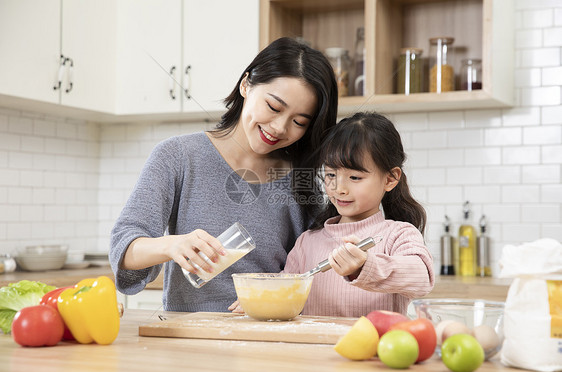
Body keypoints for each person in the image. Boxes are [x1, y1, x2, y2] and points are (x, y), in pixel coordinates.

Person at [109, 37, 338, 312]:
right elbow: (124, 249)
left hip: (269, 336)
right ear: (246, 85)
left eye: (299, 122)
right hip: (190, 338)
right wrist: (172, 245)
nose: (279, 127)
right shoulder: (178, 156)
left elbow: (314, 269)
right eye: (274, 107)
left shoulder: (301, 179)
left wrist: (277, 290)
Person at [231, 111, 434, 317]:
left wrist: (366, 266)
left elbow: (422, 277)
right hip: (313, 349)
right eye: (330, 175)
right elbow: (287, 290)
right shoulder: (307, 242)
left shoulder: (398, 234)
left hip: (374, 349)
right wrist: (262, 298)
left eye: (355, 177)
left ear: (390, 179)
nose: (339, 188)